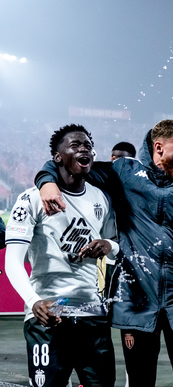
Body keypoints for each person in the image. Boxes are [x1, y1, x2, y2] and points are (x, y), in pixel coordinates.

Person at [34, 119, 173, 387]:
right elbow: (71, 165)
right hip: (136, 301)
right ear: (159, 147)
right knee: (140, 382)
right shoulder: (123, 172)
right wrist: (45, 181)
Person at [5, 124, 117, 387]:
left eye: (88, 145)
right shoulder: (30, 199)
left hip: (91, 311)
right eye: (75, 145)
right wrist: (34, 301)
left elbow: (114, 248)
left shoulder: (101, 198)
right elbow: (13, 261)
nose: (84, 149)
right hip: (49, 310)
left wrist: (109, 247)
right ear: (57, 157)